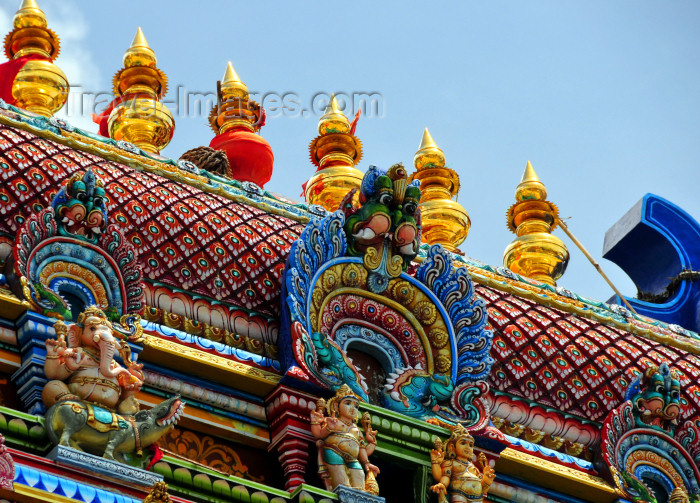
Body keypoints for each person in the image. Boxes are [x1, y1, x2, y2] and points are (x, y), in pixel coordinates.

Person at [310, 384, 380, 491]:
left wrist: (367, 460)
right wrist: (317, 423)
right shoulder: (334, 421)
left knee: (360, 481)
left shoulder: (356, 430)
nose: (353, 408)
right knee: (342, 482)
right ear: (336, 406)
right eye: (348, 403)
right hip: (334, 452)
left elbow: (362, 449)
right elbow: (319, 435)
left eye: (356, 406)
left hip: (352, 458)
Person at [430, 425, 495, 503]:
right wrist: (442, 484)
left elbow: (483, 490)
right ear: (452, 447)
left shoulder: (473, 467)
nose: (468, 447)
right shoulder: (451, 463)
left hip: (477, 498)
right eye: (463, 443)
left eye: (471, 445)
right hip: (460, 495)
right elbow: (444, 476)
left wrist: (487, 481)